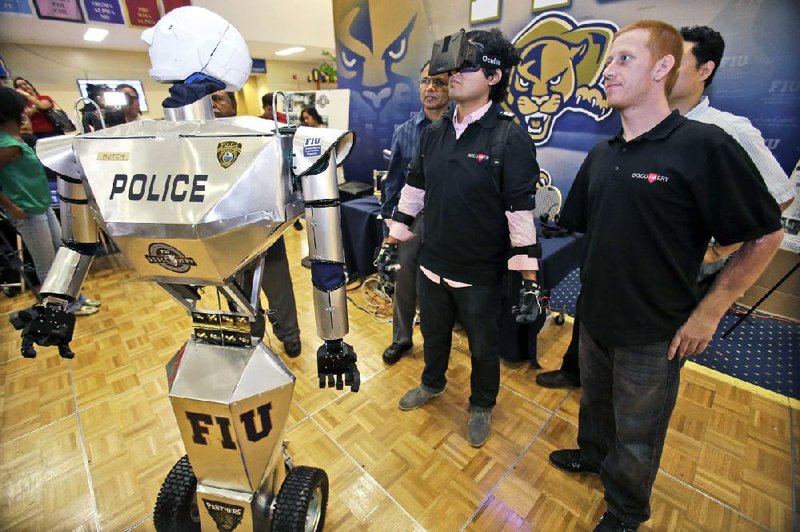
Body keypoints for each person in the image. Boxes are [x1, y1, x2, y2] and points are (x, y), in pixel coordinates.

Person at [550, 20, 782, 532]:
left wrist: (710, 312)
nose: (608, 70)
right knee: (596, 406)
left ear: (662, 68)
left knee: (638, 432)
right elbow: (589, 230)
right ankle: (592, 457)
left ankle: (626, 510)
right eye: (608, 61)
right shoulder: (603, 153)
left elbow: (765, 235)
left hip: (655, 332)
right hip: (596, 317)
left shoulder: (704, 145)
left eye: (624, 59)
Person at [536, 23, 796, 391]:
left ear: (703, 71)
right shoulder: (621, 141)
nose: (610, 71)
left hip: (671, 285)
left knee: (640, 392)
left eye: (677, 62)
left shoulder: (723, 135)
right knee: (597, 376)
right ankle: (579, 384)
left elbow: (770, 213)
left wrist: (717, 252)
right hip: (609, 289)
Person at [385, 29, 541, 448]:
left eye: (466, 67)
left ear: (494, 76)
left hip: (481, 273)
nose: (451, 76)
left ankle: (482, 404)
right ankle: (432, 383)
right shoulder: (433, 133)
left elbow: (521, 214)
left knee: (483, 347)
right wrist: (393, 240)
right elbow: (414, 190)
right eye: (451, 67)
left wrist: (529, 281)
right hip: (432, 262)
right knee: (433, 334)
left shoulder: (509, 137)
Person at [211, 89, 302, 356]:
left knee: (278, 286)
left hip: (263, 228)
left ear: (233, 104)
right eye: (210, 100)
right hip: (224, 233)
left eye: (219, 99)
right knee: (238, 291)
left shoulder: (254, 133)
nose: (214, 105)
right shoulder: (198, 140)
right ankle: (251, 334)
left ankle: (289, 334)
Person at [0, 87, 99, 316]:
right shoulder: (6, 144)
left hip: (41, 205)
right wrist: (11, 207)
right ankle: (60, 310)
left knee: (63, 257)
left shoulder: (17, 138)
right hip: (27, 210)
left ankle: (75, 299)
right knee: (48, 266)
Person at [380, 61, 450, 365]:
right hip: (412, 218)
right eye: (425, 82)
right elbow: (393, 179)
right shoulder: (405, 131)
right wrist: (389, 219)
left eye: (439, 82)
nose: (430, 88)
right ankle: (402, 338)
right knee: (403, 275)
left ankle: (442, 342)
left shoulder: (462, 129)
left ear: (452, 87)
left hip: (451, 220)